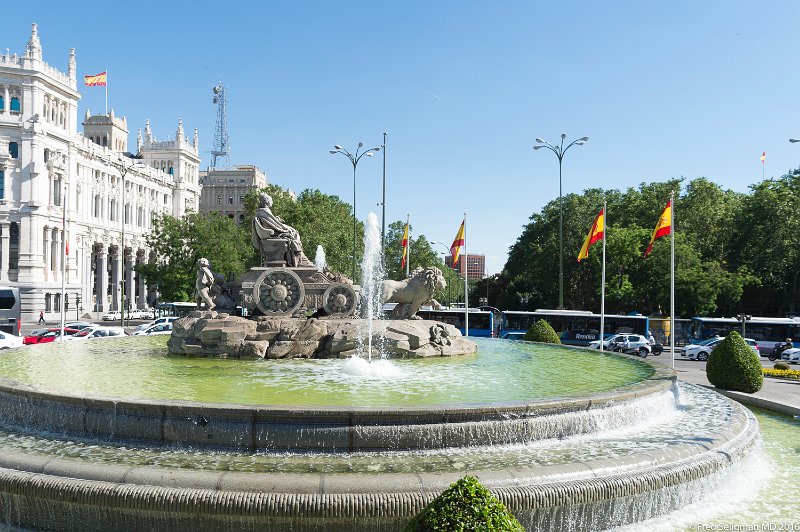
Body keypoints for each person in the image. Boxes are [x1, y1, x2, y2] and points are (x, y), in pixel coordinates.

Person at [252, 193, 313, 267]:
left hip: (272, 231)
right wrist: (285, 228)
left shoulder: (261, 211)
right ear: (267, 201)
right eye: (271, 201)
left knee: (293, 232)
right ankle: (299, 259)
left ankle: (300, 257)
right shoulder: (265, 211)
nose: (272, 202)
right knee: (294, 233)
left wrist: (277, 220)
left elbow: (272, 222)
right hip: (274, 233)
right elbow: (276, 225)